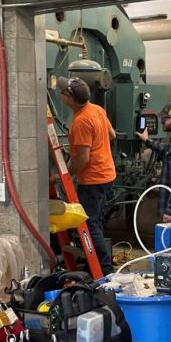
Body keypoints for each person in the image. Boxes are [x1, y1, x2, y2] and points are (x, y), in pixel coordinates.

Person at [57, 75, 116, 274]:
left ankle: (104, 271)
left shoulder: (81, 121)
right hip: (107, 174)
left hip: (93, 180)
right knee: (97, 222)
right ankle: (100, 267)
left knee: (89, 224)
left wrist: (63, 175)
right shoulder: (97, 110)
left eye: (63, 92)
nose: (61, 94)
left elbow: (82, 160)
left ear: (70, 99)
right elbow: (112, 135)